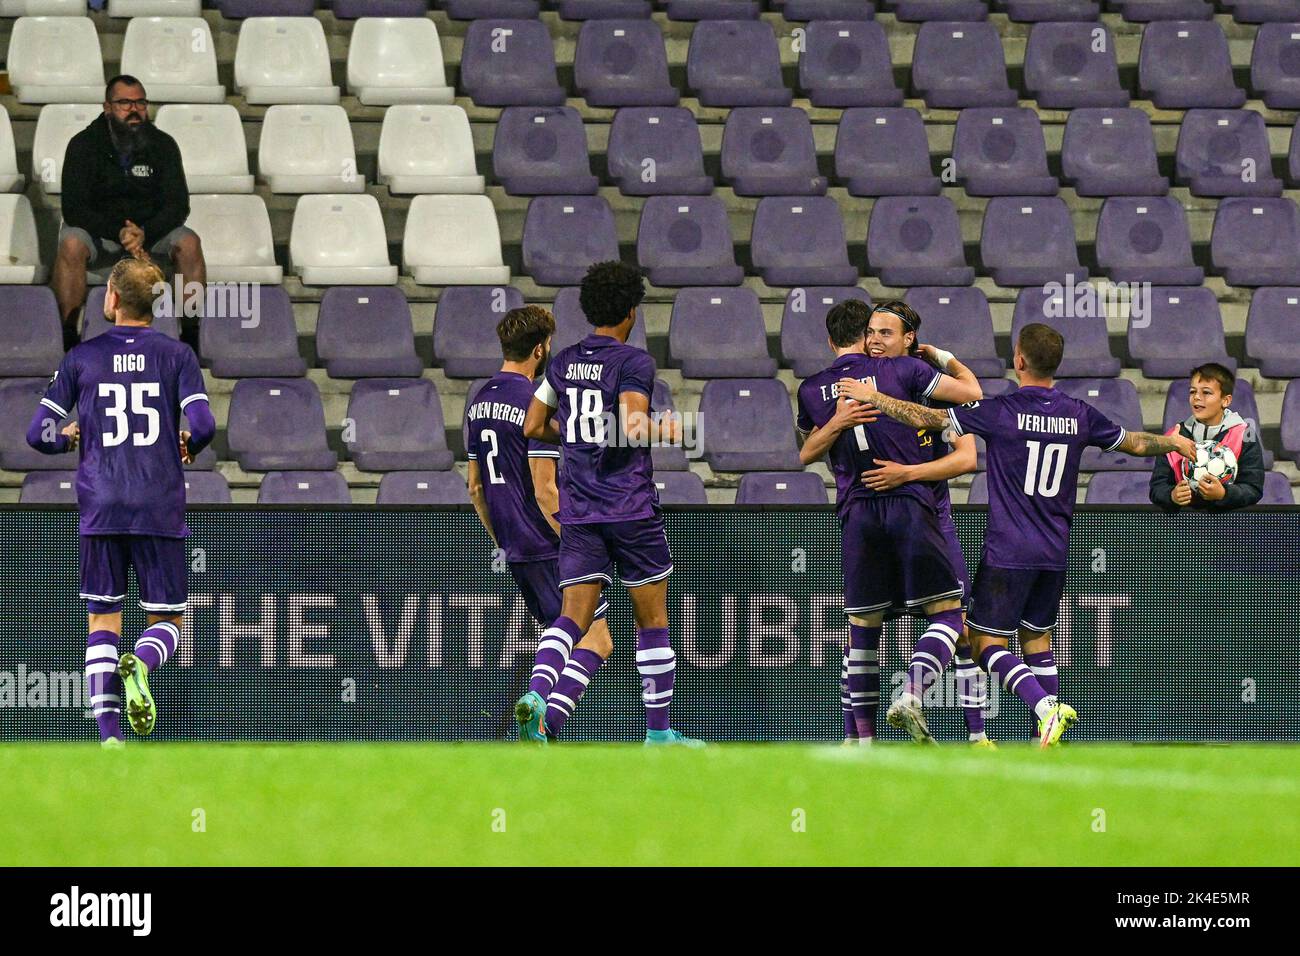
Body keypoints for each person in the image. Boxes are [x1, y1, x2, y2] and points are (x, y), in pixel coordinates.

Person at [841, 323, 1196, 747]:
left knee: (981, 641)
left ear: (1020, 360)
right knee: (1037, 640)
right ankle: (1043, 742)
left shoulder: (1002, 411)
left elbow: (928, 417)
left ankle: (1045, 709)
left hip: (1009, 548)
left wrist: (873, 397)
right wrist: (1172, 443)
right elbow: (1136, 443)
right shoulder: (1078, 413)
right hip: (1055, 550)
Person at [26, 257, 216, 747]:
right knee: (168, 619)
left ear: (111, 299)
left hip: (102, 505)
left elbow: (38, 433)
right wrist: (186, 445)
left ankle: (110, 738)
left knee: (102, 619)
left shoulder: (82, 358)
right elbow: (206, 425)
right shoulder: (177, 357)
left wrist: (69, 437)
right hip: (158, 503)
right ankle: (142, 662)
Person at [524, 261, 702, 747]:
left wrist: (576, 436)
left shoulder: (561, 362)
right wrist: (671, 428)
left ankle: (538, 697)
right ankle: (659, 734)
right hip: (629, 508)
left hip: (579, 511)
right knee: (652, 620)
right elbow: (633, 424)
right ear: (631, 311)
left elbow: (532, 426)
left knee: (572, 617)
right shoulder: (633, 362)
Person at [796, 299, 982, 745]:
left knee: (863, 626)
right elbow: (972, 398)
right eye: (874, 333)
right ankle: (919, 696)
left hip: (857, 509)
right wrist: (940, 357)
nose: (878, 340)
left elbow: (804, 454)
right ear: (866, 335)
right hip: (913, 504)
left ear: (828, 340)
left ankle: (859, 742)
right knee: (952, 616)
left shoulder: (811, 389)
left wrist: (838, 421)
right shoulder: (904, 372)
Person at [465, 306, 614, 743]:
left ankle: (541, 723)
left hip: (516, 545)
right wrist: (577, 541)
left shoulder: (479, 402)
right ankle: (541, 713)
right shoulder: (534, 403)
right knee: (596, 640)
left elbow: (475, 488)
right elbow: (546, 488)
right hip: (550, 540)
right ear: (539, 349)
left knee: (561, 633)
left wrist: (505, 538)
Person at [851, 301, 992, 748]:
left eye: (886, 333)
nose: (875, 340)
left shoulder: (928, 387)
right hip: (877, 518)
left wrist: (908, 473)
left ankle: (975, 737)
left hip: (930, 518)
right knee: (864, 625)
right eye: (870, 332)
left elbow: (967, 457)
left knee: (963, 628)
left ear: (909, 339)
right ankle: (862, 738)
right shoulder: (857, 383)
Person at [53, 75, 204, 345]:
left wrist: (144, 232)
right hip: (101, 235)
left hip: (149, 234)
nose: (134, 110)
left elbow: (178, 204)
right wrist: (120, 232)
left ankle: (192, 334)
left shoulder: (163, 144)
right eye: (124, 103)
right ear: (107, 107)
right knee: (72, 242)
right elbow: (74, 208)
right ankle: (67, 335)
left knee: (189, 242)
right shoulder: (83, 145)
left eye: (140, 103)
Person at [1149, 362, 1265, 511]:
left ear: (1226, 400)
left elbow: (1253, 489)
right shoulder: (1174, 437)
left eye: (1206, 392)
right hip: (1184, 525)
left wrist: (1224, 493)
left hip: (1228, 526)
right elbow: (1157, 488)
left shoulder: (1244, 435)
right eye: (1192, 392)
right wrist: (1171, 495)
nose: (1197, 397)